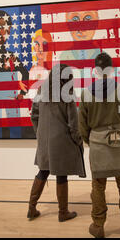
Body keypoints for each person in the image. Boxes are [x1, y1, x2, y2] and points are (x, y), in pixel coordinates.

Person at [78, 52, 120, 238]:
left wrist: (92, 141)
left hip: (97, 143)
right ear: (111, 70)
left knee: (98, 186)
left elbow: (83, 125)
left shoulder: (86, 94)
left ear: (95, 71)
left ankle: (98, 226)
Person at [28, 64, 86, 222]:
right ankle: (63, 212)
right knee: (61, 175)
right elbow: (73, 123)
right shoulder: (67, 93)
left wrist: (40, 133)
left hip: (44, 141)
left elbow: (34, 115)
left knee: (43, 171)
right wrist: (79, 140)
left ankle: (31, 208)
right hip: (61, 140)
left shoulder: (41, 91)